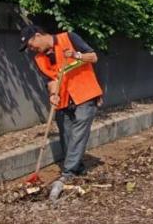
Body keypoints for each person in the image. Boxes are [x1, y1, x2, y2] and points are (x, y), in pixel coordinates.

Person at [20, 25, 103, 186]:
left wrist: (76, 55)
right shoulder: (39, 59)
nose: (31, 49)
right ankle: (77, 167)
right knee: (66, 135)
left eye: (30, 45)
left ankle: (68, 172)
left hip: (85, 93)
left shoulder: (69, 38)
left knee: (78, 132)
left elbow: (93, 57)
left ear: (38, 36)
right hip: (64, 98)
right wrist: (53, 94)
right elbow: (50, 80)